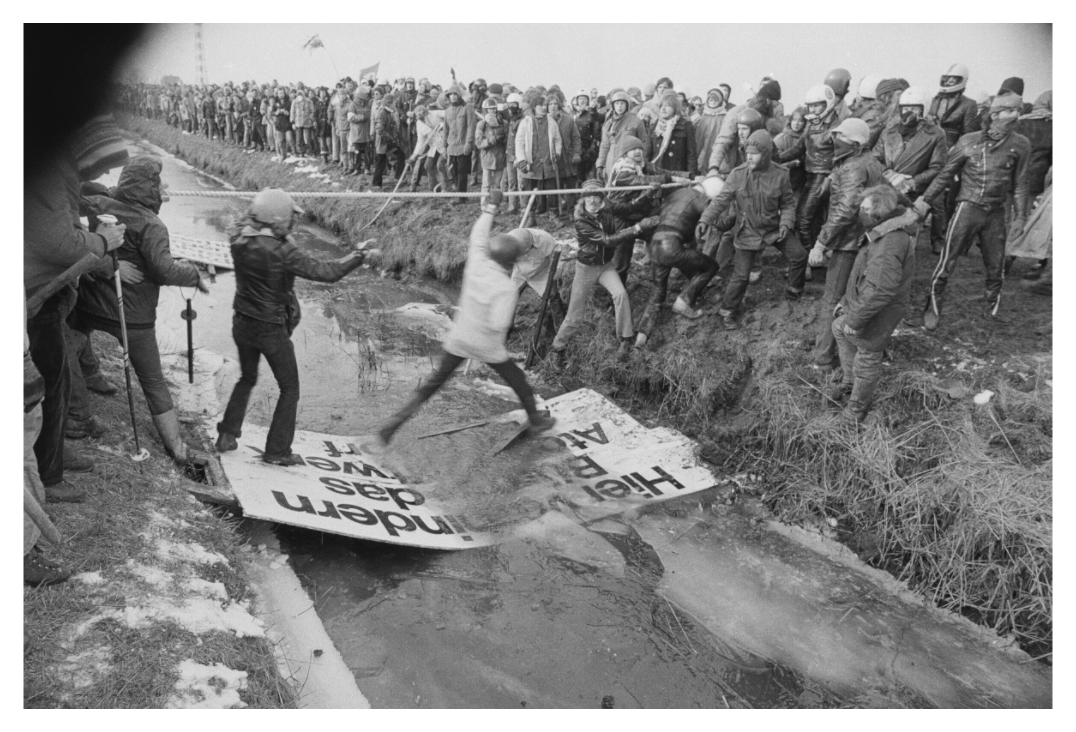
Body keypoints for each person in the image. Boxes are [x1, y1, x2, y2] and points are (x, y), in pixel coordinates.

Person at [375, 190, 555, 445]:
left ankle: (392, 425)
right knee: (519, 382)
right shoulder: (506, 287)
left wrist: (491, 207)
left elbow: (478, 235)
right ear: (514, 261)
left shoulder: (476, 262)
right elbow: (501, 324)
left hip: (460, 337)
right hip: (488, 346)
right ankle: (536, 421)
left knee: (434, 383)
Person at [216, 189, 379, 465]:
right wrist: (359, 255)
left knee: (247, 378)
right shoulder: (283, 252)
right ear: (278, 219)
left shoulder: (238, 240)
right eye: (290, 218)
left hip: (242, 322)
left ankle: (227, 435)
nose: (293, 223)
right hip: (271, 329)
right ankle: (277, 452)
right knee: (289, 388)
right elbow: (326, 273)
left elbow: (249, 228)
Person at [71, 156, 208, 463]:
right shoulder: (153, 226)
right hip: (132, 316)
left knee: (71, 340)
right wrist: (193, 273)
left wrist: (112, 195)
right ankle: (177, 448)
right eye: (157, 183)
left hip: (90, 303)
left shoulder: (100, 205)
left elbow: (76, 201)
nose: (161, 188)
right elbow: (164, 271)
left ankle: (81, 397)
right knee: (153, 380)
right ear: (149, 188)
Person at [24, 136, 127, 503]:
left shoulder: (55, 166)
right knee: (49, 384)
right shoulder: (49, 171)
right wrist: (102, 241)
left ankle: (51, 456)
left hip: (44, 292)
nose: (106, 172)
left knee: (56, 383)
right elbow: (59, 244)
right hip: (37, 294)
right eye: (104, 164)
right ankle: (47, 476)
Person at [915, 92, 1030, 330]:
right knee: (947, 260)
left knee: (996, 265)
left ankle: (991, 311)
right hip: (967, 208)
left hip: (996, 212)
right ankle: (933, 305)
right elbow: (945, 174)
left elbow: (1020, 184)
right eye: (1010, 111)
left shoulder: (1021, 144)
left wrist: (1020, 218)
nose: (1016, 116)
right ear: (995, 114)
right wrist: (925, 200)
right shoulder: (969, 141)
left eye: (1018, 111)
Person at [697, 129, 804, 330]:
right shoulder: (737, 175)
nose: (749, 157)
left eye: (753, 153)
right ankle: (727, 311)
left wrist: (785, 224)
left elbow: (788, 203)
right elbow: (720, 201)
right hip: (748, 231)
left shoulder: (780, 174)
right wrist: (705, 219)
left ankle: (794, 291)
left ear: (765, 154)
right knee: (741, 276)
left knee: (799, 255)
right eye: (747, 153)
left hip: (773, 229)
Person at [830, 185, 920, 423]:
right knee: (839, 328)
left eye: (864, 208)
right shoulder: (880, 232)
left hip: (882, 310)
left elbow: (880, 289)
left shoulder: (888, 242)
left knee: (867, 354)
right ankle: (850, 383)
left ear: (878, 213)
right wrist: (846, 303)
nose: (860, 211)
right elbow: (865, 275)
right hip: (869, 303)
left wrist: (855, 319)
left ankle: (855, 412)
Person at [548, 180, 660, 369]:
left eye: (596, 195)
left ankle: (625, 339)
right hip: (586, 268)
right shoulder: (581, 220)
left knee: (621, 294)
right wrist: (638, 228)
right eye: (588, 196)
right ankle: (557, 348)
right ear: (582, 198)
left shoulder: (607, 207)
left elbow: (631, 207)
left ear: (601, 196)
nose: (592, 199)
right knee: (574, 315)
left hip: (605, 266)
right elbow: (607, 240)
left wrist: (649, 193)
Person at [806, 118, 885, 370]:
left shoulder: (853, 167)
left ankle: (823, 359)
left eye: (840, 138)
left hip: (847, 243)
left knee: (832, 299)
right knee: (853, 298)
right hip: (865, 239)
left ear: (855, 143)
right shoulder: (870, 162)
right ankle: (847, 352)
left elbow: (845, 209)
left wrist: (821, 242)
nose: (835, 141)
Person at [635, 177, 723, 347]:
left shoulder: (676, 193)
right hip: (671, 246)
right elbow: (719, 223)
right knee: (711, 267)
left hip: (655, 245)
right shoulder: (702, 199)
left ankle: (641, 335)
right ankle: (683, 301)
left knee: (657, 292)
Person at [927, 63, 981, 254]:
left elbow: (969, 135)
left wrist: (955, 152)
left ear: (962, 81)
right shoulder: (933, 99)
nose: (949, 82)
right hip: (930, 149)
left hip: (951, 153)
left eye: (953, 79)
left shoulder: (969, 104)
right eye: (947, 78)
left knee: (940, 198)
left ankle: (938, 239)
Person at [873, 86, 948, 201]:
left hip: (914, 194)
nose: (909, 112)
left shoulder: (936, 134)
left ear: (924, 109)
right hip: (885, 190)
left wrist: (912, 182)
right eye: (906, 108)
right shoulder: (888, 132)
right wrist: (890, 175)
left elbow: (937, 167)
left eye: (914, 108)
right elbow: (874, 159)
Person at [705, 79, 782, 178]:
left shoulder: (764, 117)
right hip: (730, 171)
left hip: (751, 171)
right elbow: (722, 141)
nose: (776, 108)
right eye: (775, 105)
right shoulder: (736, 113)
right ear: (768, 101)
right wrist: (713, 168)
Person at [514, 94, 563, 226]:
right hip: (531, 164)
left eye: (544, 105)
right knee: (529, 190)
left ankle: (554, 215)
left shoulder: (551, 121)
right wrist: (522, 160)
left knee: (552, 191)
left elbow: (558, 139)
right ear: (534, 107)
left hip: (547, 163)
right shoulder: (526, 122)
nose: (543, 107)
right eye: (540, 105)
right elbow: (519, 142)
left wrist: (557, 153)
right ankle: (530, 217)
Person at [596, 90, 650, 181]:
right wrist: (600, 165)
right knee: (611, 189)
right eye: (617, 103)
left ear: (627, 105)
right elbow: (604, 146)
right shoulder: (608, 124)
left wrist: (642, 163)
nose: (619, 106)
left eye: (622, 103)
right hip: (611, 162)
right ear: (613, 105)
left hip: (630, 163)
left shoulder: (636, 121)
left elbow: (643, 143)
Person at [650, 92, 698, 178]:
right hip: (657, 173)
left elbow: (691, 154)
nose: (663, 109)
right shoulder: (655, 125)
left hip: (678, 172)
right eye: (661, 106)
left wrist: (691, 175)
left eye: (667, 106)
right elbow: (648, 152)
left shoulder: (686, 125)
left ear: (675, 108)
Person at [548, 96, 582, 216]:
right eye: (550, 104)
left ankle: (572, 212)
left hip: (568, 159)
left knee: (571, 187)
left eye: (555, 104)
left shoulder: (568, 120)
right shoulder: (545, 122)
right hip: (554, 161)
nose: (553, 106)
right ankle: (556, 213)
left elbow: (576, 138)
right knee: (555, 188)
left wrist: (577, 153)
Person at [443, 83, 477, 202]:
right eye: (450, 95)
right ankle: (459, 193)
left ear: (459, 95)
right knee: (454, 171)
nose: (453, 97)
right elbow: (445, 129)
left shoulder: (468, 107)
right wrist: (444, 146)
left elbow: (471, 126)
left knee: (463, 171)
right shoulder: (447, 111)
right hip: (452, 146)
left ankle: (462, 197)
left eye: (455, 94)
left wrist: (469, 143)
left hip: (463, 145)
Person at [475, 97, 508, 206]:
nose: (492, 111)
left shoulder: (503, 123)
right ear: (485, 110)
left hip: (500, 157)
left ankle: (494, 205)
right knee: (486, 185)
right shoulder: (482, 124)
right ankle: (484, 205)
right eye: (489, 109)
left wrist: (503, 139)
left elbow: (508, 140)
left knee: (497, 185)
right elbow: (479, 143)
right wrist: (491, 140)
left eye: (494, 109)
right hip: (487, 157)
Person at [694, 88, 728, 177]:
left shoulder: (725, 118)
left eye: (716, 100)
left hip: (718, 149)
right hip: (703, 149)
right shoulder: (701, 118)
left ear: (720, 101)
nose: (713, 102)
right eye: (711, 100)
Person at [573, 90, 602, 182]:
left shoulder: (591, 115)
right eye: (580, 98)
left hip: (586, 150)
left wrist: (591, 151)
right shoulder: (571, 114)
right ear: (576, 100)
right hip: (573, 151)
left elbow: (596, 135)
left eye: (585, 99)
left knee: (587, 177)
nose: (582, 101)